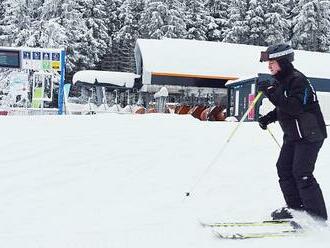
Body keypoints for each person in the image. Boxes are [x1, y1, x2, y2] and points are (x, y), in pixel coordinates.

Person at [258, 43, 328, 221]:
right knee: (284, 169)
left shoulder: (298, 80)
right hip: (294, 135)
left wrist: (271, 92)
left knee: (302, 173)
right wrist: (268, 117)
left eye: (272, 62)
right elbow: (283, 107)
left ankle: (317, 216)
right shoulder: (282, 81)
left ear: (283, 61)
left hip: (310, 135)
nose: (269, 66)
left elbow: (295, 107)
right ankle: (297, 210)